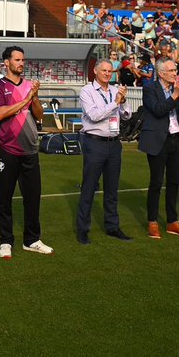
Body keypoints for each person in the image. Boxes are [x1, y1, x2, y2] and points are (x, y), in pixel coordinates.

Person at [0, 45, 52, 257]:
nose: (21, 63)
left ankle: (32, 239)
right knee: (4, 197)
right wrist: (25, 99)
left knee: (33, 197)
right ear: (7, 63)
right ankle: (5, 242)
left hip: (30, 151)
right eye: (17, 60)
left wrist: (34, 97)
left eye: (23, 60)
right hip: (7, 150)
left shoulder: (29, 86)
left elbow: (39, 115)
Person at [76, 60, 132, 244]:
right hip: (95, 143)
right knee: (89, 188)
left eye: (110, 71)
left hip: (114, 143)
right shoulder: (87, 91)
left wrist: (122, 103)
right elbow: (94, 115)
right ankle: (83, 230)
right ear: (95, 71)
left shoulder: (116, 90)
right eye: (104, 71)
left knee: (112, 189)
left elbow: (126, 115)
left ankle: (112, 227)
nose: (108, 74)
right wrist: (115, 103)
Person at [139, 57, 179, 239]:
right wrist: (176, 95)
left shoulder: (174, 89)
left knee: (174, 182)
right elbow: (158, 110)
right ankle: (152, 222)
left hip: (175, 139)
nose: (175, 73)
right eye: (171, 70)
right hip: (157, 140)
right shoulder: (149, 88)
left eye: (175, 70)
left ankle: (172, 221)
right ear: (161, 73)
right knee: (156, 183)